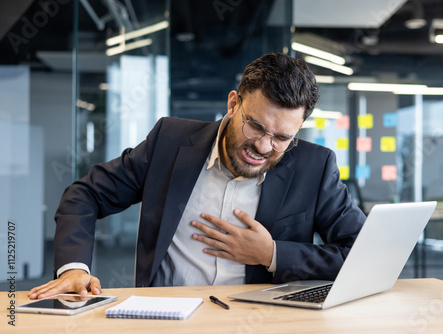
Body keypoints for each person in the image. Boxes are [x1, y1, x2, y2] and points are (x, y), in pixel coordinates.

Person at [29, 53, 365, 299]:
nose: (263, 146)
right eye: (256, 126)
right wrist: (74, 268)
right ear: (234, 103)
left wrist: (272, 254)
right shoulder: (169, 142)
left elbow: (362, 253)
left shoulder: (315, 166)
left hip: (264, 321)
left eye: (281, 138)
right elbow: (84, 195)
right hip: (167, 317)